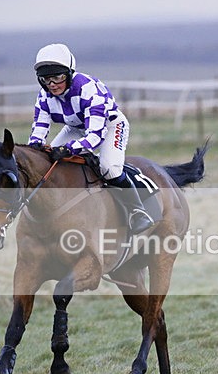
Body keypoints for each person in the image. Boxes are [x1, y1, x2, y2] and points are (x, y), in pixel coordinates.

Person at [27, 43, 154, 234]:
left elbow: (95, 136)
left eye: (58, 77)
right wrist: (34, 149)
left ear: (69, 74)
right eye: (46, 79)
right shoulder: (44, 97)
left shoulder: (88, 90)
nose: (52, 84)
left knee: (109, 168)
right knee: (46, 164)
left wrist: (69, 149)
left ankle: (138, 211)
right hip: (76, 128)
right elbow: (39, 128)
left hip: (109, 126)